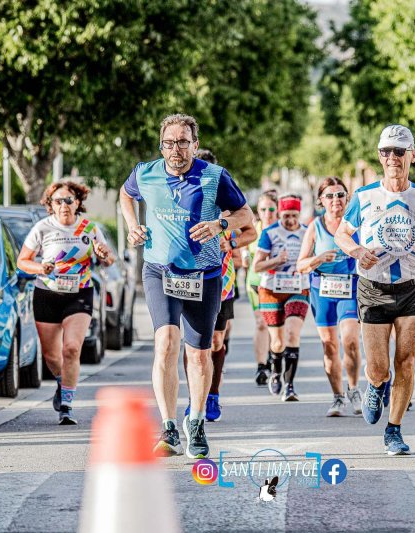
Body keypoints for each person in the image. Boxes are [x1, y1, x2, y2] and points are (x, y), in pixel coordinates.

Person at [119, 114, 253, 459]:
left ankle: (195, 422)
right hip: (160, 270)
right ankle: (168, 427)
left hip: (203, 275)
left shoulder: (214, 176)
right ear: (161, 145)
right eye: (168, 143)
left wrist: (220, 224)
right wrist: (132, 225)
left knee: (198, 354)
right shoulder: (145, 173)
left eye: (182, 142)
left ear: (195, 144)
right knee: (165, 342)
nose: (175, 150)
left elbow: (245, 215)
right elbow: (125, 194)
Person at [335, 124, 415, 455]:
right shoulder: (364, 196)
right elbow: (342, 234)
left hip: (413, 289)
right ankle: (375, 384)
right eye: (386, 151)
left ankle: (394, 429)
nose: (392, 158)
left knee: (407, 361)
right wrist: (357, 251)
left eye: (399, 152)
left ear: (412, 156)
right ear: (379, 156)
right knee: (378, 367)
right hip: (373, 288)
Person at [18, 181, 115, 425]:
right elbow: (22, 261)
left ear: (78, 202)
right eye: (58, 201)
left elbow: (108, 260)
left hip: (80, 293)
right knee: (51, 356)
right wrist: (41, 267)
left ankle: (67, 406)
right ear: (50, 205)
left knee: (71, 348)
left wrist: (104, 255)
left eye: (69, 200)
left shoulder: (89, 228)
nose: (64, 205)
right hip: (47, 294)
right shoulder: (42, 228)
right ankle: (63, 383)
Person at [182, 149, 257, 423]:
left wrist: (230, 242)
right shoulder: (183, 203)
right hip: (187, 278)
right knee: (192, 344)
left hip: (221, 282)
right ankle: (194, 398)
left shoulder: (227, 207)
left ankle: (212, 394)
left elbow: (251, 231)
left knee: (215, 341)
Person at [297, 177, 362, 417]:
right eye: (330, 196)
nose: (336, 200)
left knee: (350, 340)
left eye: (341, 195)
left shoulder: (357, 224)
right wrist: (318, 259)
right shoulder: (315, 226)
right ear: (321, 201)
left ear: (348, 198)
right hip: (322, 290)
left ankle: (354, 388)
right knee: (329, 346)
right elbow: (300, 265)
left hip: (350, 287)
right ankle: (338, 396)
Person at [251, 194, 309, 401]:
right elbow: (257, 266)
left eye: (294, 216)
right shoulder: (270, 233)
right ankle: (276, 370)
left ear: (299, 214)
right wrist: (276, 260)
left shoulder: (306, 232)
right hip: (271, 289)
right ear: (280, 214)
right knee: (277, 342)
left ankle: (290, 385)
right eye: (286, 216)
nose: (290, 220)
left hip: (298, 288)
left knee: (292, 334)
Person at [243, 190, 279, 386]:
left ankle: (275, 356)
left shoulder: (282, 230)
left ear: (278, 210)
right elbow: (243, 246)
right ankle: (261, 365)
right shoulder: (253, 230)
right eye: (263, 209)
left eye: (271, 209)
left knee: (275, 324)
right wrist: (243, 254)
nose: (267, 214)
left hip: (277, 284)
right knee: (261, 323)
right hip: (255, 282)